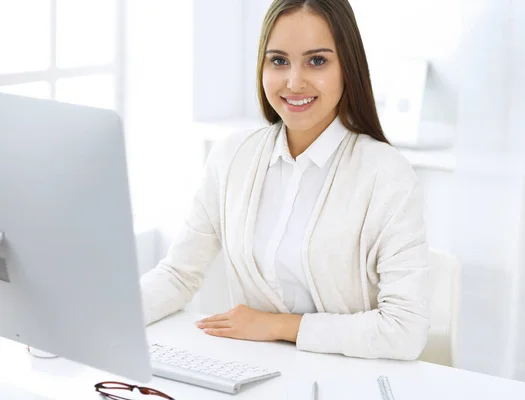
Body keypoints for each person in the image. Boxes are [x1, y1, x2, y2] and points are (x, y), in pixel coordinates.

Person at [141, 0, 430, 361]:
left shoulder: (387, 175)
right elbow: (178, 276)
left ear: (348, 68)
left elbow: (405, 330)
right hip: (256, 373)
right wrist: (107, 316)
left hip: (352, 379)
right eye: (278, 61)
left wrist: (278, 326)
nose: (294, 82)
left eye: (317, 61)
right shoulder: (232, 157)